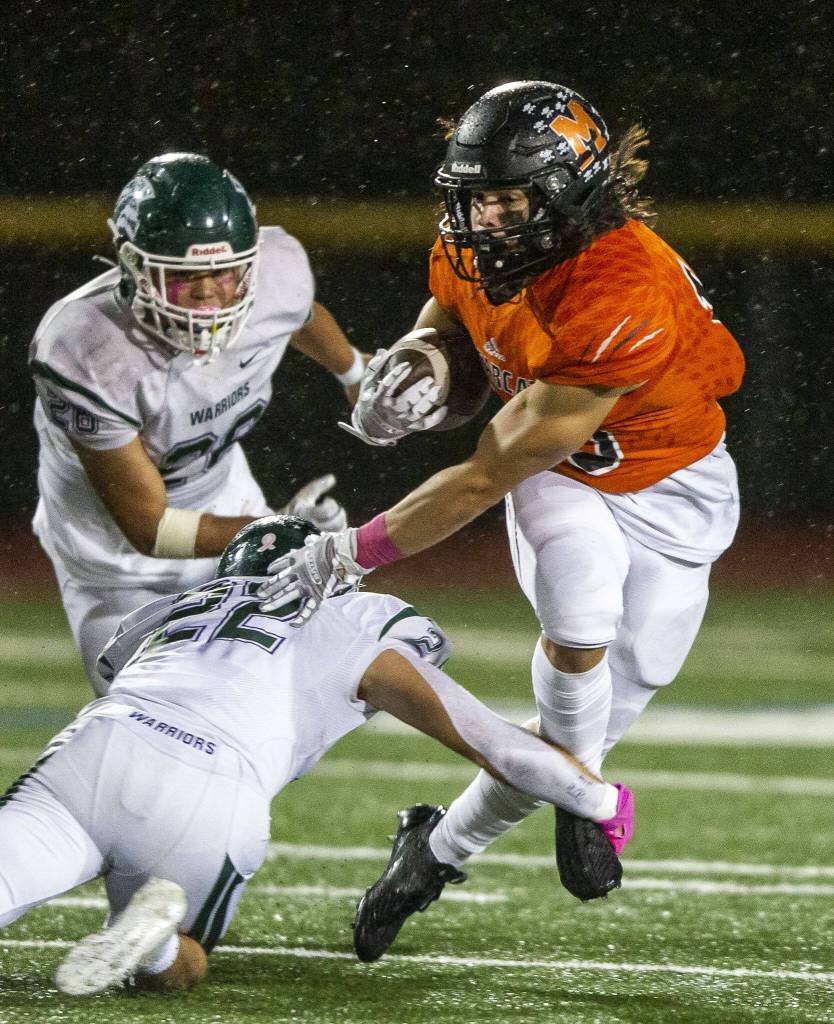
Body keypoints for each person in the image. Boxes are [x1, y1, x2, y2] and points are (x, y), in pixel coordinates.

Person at [258, 80, 745, 955]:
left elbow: (484, 475)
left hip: (676, 490)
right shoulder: (471, 245)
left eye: (512, 197)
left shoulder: (620, 289)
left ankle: (436, 849)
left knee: (594, 713)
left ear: (572, 193)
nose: (487, 219)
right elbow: (460, 343)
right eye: (476, 196)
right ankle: (584, 791)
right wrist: (413, 376)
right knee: (582, 610)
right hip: (567, 477)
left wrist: (352, 551)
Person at [0, 514, 632, 994]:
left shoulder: (172, 610)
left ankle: (134, 926)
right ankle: (156, 947)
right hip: (213, 790)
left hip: (95, 748)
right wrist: (600, 800)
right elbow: (498, 747)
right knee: (179, 970)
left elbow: (118, 666)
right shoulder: (352, 623)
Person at [29, 151, 365, 695]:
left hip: (227, 504)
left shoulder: (276, 270)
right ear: (134, 269)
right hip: (116, 566)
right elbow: (151, 528)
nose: (208, 293)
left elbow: (301, 316)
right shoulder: (85, 348)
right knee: (158, 726)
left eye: (224, 273)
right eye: (183, 278)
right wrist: (281, 533)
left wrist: (354, 372)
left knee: (331, 675)